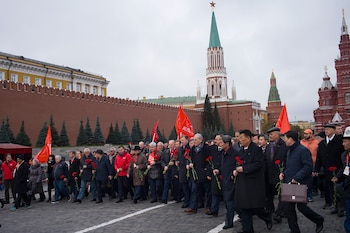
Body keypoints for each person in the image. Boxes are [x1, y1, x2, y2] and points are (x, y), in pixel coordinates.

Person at [280, 131, 324, 233]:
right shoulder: (289, 151)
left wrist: (297, 178)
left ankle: (318, 219)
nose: (284, 140)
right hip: (290, 183)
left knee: (302, 207)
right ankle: (294, 230)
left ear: (291, 139)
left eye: (285, 138)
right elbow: (290, 167)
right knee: (288, 208)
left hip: (300, 184)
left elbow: (308, 166)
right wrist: (284, 174)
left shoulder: (302, 150)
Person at [234, 129, 272, 233]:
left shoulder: (256, 149)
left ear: (248, 138)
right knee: (244, 206)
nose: (239, 140)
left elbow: (259, 164)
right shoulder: (241, 150)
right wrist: (236, 170)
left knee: (254, 206)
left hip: (253, 182)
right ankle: (248, 230)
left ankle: (267, 217)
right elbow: (238, 163)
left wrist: (245, 169)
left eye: (241, 138)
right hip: (242, 181)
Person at [314, 123, 344, 210]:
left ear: (334, 130)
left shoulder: (339, 141)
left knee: (339, 189)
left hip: (338, 169)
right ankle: (335, 206)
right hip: (327, 170)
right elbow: (319, 158)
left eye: (328, 129)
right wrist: (316, 169)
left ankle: (341, 207)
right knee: (331, 188)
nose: (326, 131)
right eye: (325, 129)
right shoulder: (322, 144)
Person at [213, 135, 237, 229]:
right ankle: (230, 221)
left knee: (230, 203)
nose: (219, 144)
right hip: (225, 180)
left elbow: (237, 164)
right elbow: (224, 166)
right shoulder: (223, 153)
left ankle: (229, 222)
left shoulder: (234, 153)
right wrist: (219, 170)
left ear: (227, 143)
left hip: (231, 181)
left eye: (222, 142)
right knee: (229, 203)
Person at [265, 127, 287, 223]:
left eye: (272, 134)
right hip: (269, 175)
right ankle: (270, 211)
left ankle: (280, 214)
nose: (270, 136)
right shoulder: (268, 146)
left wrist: (284, 171)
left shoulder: (284, 145)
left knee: (282, 195)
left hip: (280, 175)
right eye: (269, 134)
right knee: (269, 195)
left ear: (277, 134)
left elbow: (286, 160)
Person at [184, 133, 210, 214]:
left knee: (208, 191)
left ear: (200, 140)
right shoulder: (193, 149)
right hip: (195, 173)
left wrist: (207, 170)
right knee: (194, 190)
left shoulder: (206, 148)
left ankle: (209, 207)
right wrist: (190, 164)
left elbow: (210, 160)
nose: (194, 141)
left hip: (204, 173)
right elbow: (190, 158)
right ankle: (193, 207)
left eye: (195, 140)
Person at [333, 126, 350, 232]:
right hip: (348, 189)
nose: (343, 144)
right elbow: (344, 169)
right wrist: (338, 177)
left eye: (345, 141)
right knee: (348, 215)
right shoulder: (344, 155)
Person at [206, 134, 223, 218]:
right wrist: (209, 173)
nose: (217, 141)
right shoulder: (212, 149)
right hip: (214, 173)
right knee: (214, 192)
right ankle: (214, 210)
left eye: (219, 139)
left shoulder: (225, 149)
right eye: (216, 139)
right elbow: (209, 161)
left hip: (223, 174)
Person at [300, 129, 319, 202]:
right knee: (303, 180)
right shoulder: (301, 142)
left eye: (307, 134)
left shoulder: (316, 143)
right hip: (303, 164)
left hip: (314, 164)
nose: (305, 135)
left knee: (310, 181)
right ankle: (304, 196)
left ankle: (310, 195)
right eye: (304, 134)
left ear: (311, 134)